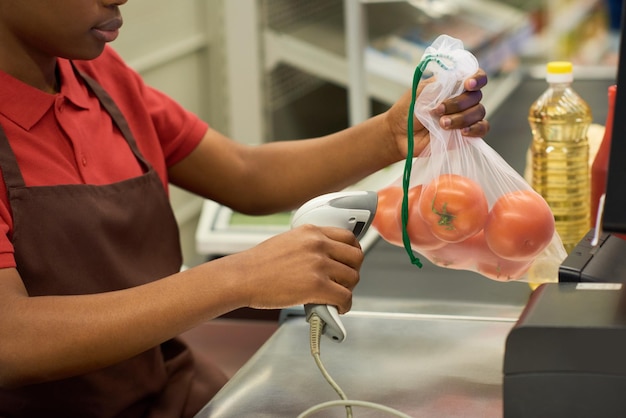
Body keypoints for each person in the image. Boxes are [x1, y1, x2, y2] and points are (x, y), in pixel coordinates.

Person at [0, 0, 490, 416]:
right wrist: (240, 278)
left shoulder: (96, 75)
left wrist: (389, 133)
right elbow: (11, 341)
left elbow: (244, 174)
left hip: (169, 392)